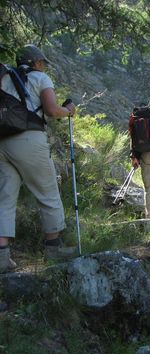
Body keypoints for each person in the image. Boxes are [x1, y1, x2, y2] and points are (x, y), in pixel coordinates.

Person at [0, 44, 78, 271]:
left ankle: (2, 257)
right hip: (29, 140)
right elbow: (52, 111)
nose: (43, 66)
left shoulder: (4, 78)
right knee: (47, 191)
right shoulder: (40, 78)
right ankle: (53, 248)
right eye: (42, 62)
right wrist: (69, 110)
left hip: (2, 141)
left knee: (4, 197)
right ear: (34, 62)